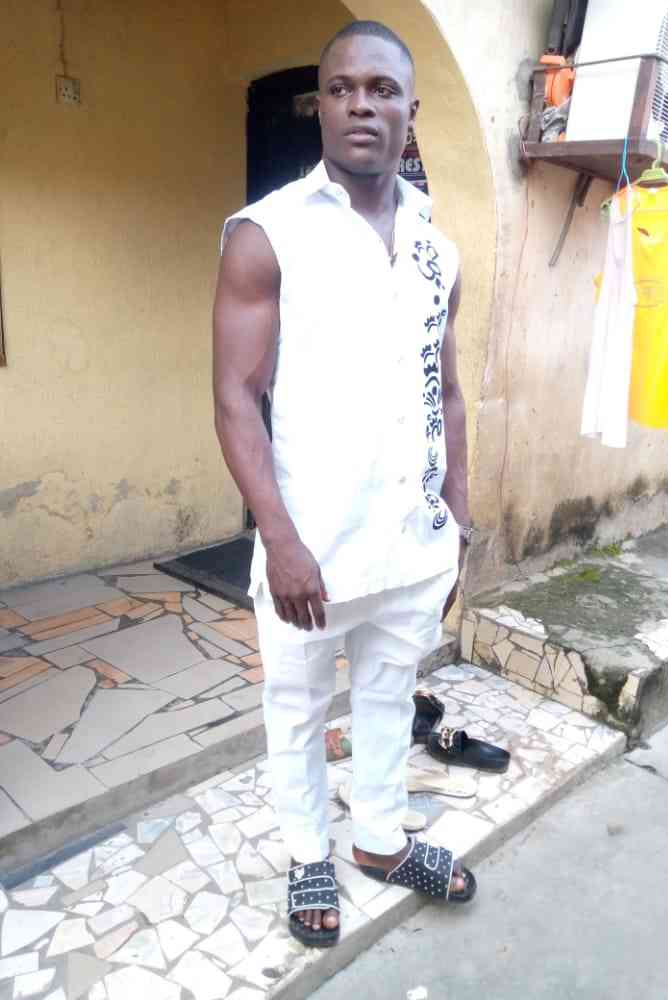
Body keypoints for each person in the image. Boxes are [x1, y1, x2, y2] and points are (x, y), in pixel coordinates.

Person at [213, 19, 476, 949]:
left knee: (389, 699)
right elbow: (235, 397)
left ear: (411, 111)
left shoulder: (438, 249)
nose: (362, 104)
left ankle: (378, 839)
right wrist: (279, 540)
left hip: (413, 542)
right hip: (311, 555)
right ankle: (306, 852)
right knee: (295, 713)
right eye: (342, 88)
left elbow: (445, 388)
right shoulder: (267, 233)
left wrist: (460, 521)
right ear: (319, 105)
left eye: (382, 89)